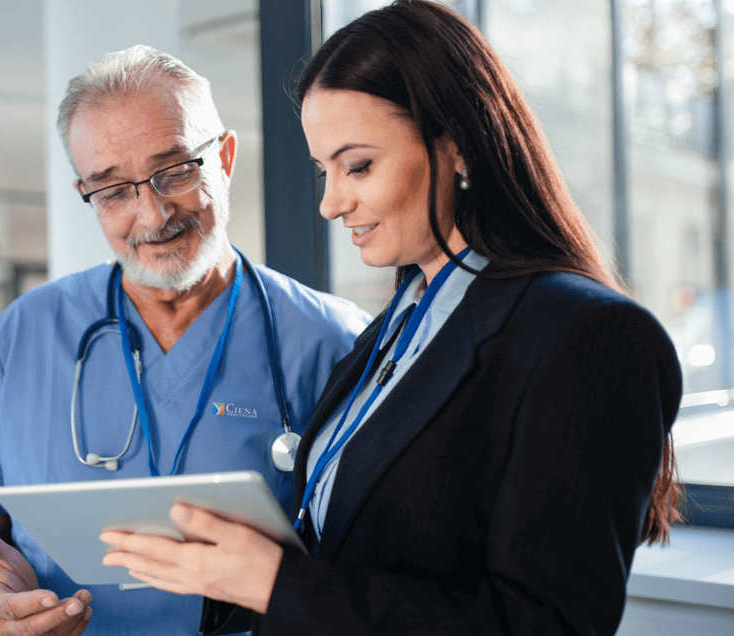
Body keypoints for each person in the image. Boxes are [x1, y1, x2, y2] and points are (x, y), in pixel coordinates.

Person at [98, 3, 684, 634]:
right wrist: (233, 570)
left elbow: (546, 625)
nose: (329, 203)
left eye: (358, 166)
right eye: (324, 171)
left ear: (459, 146)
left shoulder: (586, 336)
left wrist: (274, 581)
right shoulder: (396, 327)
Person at [0, 45, 369, 636]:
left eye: (176, 171)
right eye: (113, 191)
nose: (152, 216)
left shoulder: (333, 340)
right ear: (87, 194)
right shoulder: (26, 333)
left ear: (224, 158)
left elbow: (375, 552)